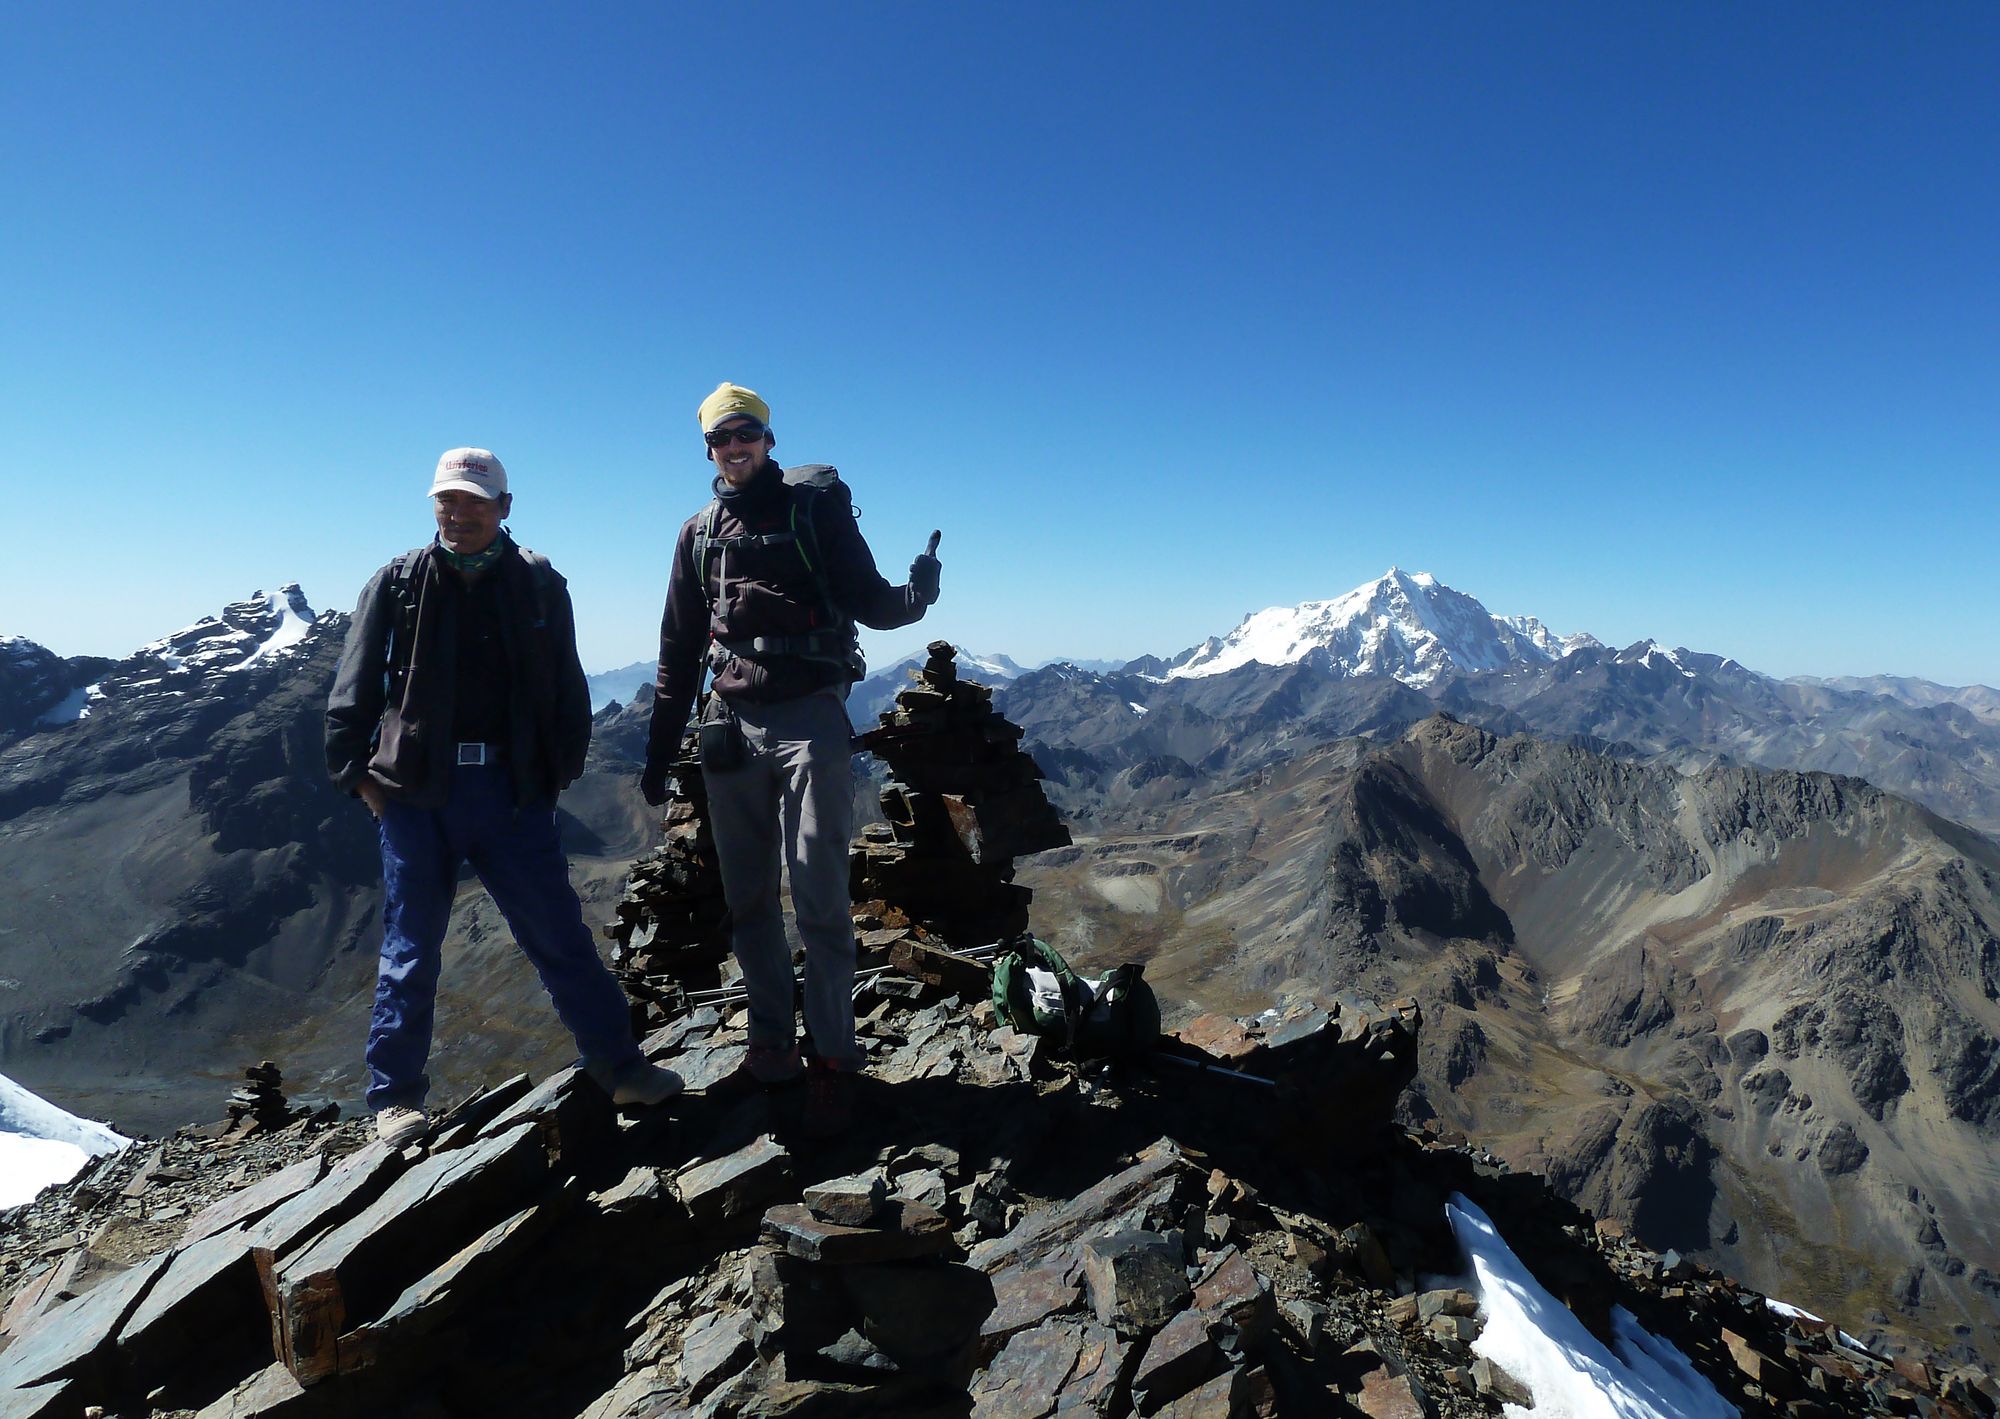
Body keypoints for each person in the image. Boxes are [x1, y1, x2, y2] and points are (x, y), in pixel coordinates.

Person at [327, 447, 682, 1148]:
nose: (458, 514)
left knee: (559, 936)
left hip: (511, 792)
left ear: (503, 508)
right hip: (416, 795)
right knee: (411, 947)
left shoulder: (539, 583)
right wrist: (360, 779)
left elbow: (567, 686)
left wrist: (555, 775)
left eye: (473, 503)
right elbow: (355, 686)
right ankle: (395, 1099)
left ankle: (619, 1065)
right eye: (446, 502)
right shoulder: (398, 581)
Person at [642, 383, 939, 1134]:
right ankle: (771, 1048)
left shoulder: (815, 512)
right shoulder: (697, 533)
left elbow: (873, 602)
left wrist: (919, 595)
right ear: (707, 450)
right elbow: (678, 651)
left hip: (810, 718)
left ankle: (834, 1059)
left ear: (768, 440)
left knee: (818, 898)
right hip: (730, 723)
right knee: (747, 901)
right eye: (720, 439)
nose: (734, 448)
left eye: (746, 434)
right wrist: (658, 749)